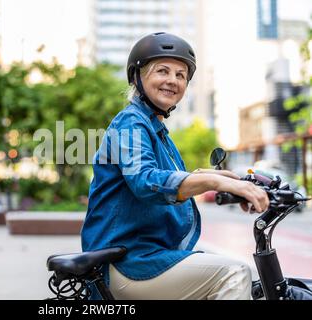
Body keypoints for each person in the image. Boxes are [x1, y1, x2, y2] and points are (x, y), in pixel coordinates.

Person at [81, 32, 269, 300]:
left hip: (146, 258)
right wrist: (215, 182)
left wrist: (225, 178)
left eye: (181, 75)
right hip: (127, 262)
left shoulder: (156, 131)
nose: (173, 80)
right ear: (138, 76)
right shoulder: (130, 124)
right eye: (163, 71)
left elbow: (169, 176)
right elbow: (146, 181)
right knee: (234, 273)